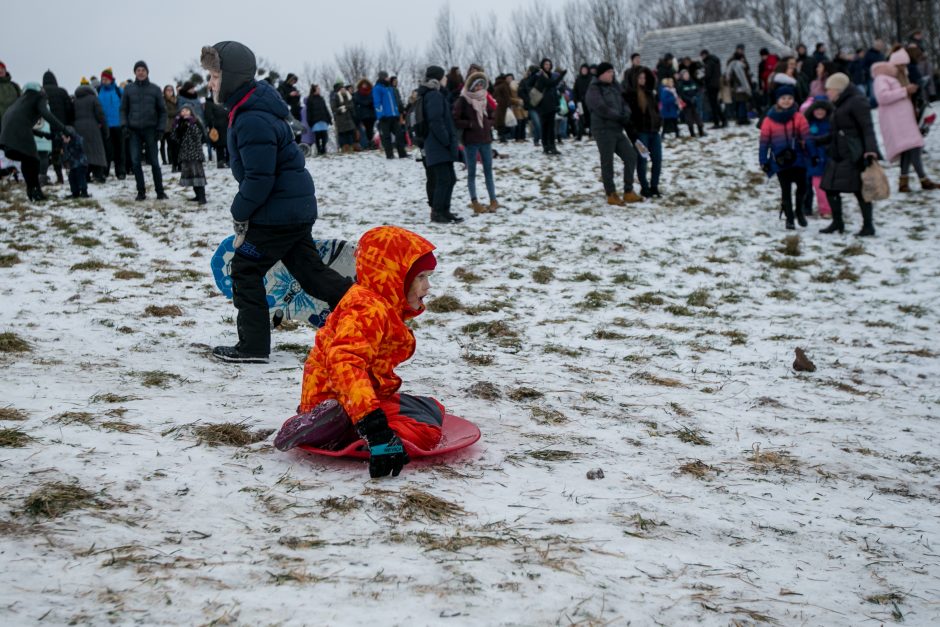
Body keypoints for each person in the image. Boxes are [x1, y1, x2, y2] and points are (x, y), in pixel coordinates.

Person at [201, 40, 352, 362]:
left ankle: (253, 347)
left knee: (244, 269)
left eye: (213, 75)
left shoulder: (251, 117)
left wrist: (239, 211)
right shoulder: (252, 109)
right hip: (290, 209)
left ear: (229, 77)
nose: (210, 83)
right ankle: (367, 309)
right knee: (311, 273)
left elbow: (260, 177)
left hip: (278, 213)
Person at [276, 226, 444, 479]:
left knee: (431, 408)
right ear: (395, 276)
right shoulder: (368, 309)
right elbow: (344, 361)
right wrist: (376, 430)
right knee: (424, 430)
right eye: (421, 278)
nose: (427, 287)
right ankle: (339, 430)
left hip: (352, 397)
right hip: (340, 397)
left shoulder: (379, 304)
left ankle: (333, 422)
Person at [819, 73, 881, 236]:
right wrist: (816, 140)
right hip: (838, 153)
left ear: (839, 89)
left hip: (854, 153)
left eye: (829, 90)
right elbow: (836, 131)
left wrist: (870, 150)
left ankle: (868, 226)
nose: (827, 93)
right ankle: (837, 223)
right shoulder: (840, 103)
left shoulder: (857, 102)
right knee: (829, 187)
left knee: (859, 190)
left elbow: (867, 128)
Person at [872, 49, 937, 192]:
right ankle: (923, 179)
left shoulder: (897, 76)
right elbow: (882, 97)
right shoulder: (882, 78)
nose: (904, 68)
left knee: (908, 149)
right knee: (914, 146)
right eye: (901, 65)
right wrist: (905, 91)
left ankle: (904, 182)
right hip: (895, 120)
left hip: (903, 118)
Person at [0, 82, 70, 201]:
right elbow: (47, 114)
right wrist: (64, 129)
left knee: (27, 160)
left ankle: (31, 191)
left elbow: (20, 123)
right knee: (33, 160)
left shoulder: (20, 102)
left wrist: (43, 135)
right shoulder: (38, 97)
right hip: (17, 134)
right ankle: (35, 191)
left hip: (5, 138)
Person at [585, 62, 641, 206]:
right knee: (607, 161)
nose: (612, 74)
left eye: (612, 71)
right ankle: (611, 193)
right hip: (603, 130)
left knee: (631, 156)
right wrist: (618, 116)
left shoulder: (614, 87)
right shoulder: (594, 89)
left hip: (617, 128)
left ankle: (628, 191)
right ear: (601, 74)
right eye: (609, 72)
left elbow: (624, 103)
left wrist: (626, 115)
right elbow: (601, 108)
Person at [759, 85, 810, 230]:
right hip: (781, 161)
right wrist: (764, 161)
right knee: (785, 190)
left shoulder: (799, 117)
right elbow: (764, 143)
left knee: (802, 186)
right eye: (783, 98)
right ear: (777, 100)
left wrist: (813, 154)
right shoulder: (769, 120)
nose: (786, 101)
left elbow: (807, 137)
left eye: (789, 98)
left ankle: (799, 210)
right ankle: (789, 218)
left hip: (799, 158)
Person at [418, 65, 463, 224]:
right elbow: (435, 120)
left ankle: (445, 210)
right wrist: (446, 140)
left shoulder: (434, 94)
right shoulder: (433, 95)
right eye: (444, 77)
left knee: (450, 178)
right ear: (437, 78)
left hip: (438, 145)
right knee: (444, 179)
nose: (446, 79)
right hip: (437, 145)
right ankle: (437, 212)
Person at [121, 60, 167, 201]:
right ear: (135, 72)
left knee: (154, 162)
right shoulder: (128, 89)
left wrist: (160, 128)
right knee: (135, 162)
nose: (140, 72)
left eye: (143, 70)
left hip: (151, 130)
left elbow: (162, 111)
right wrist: (124, 125)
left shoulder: (155, 89)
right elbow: (123, 109)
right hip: (134, 130)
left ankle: (160, 191)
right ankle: (141, 191)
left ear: (147, 72)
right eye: (138, 70)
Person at [453, 71, 498, 214]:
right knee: (471, 172)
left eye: (481, 84)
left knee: (488, 171)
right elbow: (455, 119)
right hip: (471, 142)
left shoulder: (484, 98)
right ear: (471, 86)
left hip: (485, 140)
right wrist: (470, 124)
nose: (479, 87)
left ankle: (493, 200)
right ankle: (475, 202)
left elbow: (493, 115)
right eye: (477, 85)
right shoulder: (463, 100)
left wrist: (487, 124)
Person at [625, 67, 663, 198]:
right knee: (642, 161)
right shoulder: (631, 95)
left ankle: (654, 186)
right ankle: (644, 187)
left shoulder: (650, 93)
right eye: (640, 78)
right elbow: (628, 118)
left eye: (644, 78)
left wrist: (659, 122)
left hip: (654, 132)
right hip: (641, 133)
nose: (643, 80)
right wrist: (633, 135)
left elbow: (656, 111)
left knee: (657, 160)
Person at [72, 83, 109, 183]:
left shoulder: (75, 101)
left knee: (83, 152)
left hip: (78, 128)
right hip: (93, 127)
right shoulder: (93, 99)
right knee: (96, 151)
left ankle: (86, 175)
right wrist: (106, 130)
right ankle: (98, 175)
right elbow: (100, 115)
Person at [172, 104, 208, 204]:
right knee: (191, 176)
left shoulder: (195, 121)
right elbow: (175, 138)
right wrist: (175, 126)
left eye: (187, 110)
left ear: (191, 111)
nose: (184, 112)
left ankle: (202, 197)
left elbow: (198, 136)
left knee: (198, 175)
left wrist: (192, 124)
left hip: (195, 153)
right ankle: (197, 195)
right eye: (182, 111)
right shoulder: (180, 123)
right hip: (185, 153)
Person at [804, 96, 833, 218]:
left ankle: (829, 208)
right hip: (813, 160)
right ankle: (823, 209)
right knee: (817, 186)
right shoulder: (808, 123)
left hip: (828, 159)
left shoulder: (831, 122)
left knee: (829, 186)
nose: (820, 112)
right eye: (817, 109)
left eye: (822, 109)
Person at [532, 59, 567, 155]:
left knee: (550, 127)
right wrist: (561, 76)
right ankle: (546, 146)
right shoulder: (541, 75)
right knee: (545, 126)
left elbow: (553, 89)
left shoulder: (550, 75)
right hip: (543, 105)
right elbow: (551, 84)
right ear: (542, 65)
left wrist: (557, 102)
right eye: (545, 64)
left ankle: (551, 146)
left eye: (549, 64)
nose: (547, 66)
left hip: (551, 104)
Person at [97, 68, 125, 180]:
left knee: (120, 150)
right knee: (106, 150)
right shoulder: (98, 91)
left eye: (105, 79)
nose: (104, 81)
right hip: (105, 125)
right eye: (102, 79)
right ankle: (105, 171)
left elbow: (125, 107)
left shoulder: (119, 91)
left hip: (118, 124)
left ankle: (121, 172)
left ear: (110, 79)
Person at [373, 71, 406, 159]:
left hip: (394, 116)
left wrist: (397, 112)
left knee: (399, 134)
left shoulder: (390, 88)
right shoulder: (377, 88)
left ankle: (402, 153)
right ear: (383, 78)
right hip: (384, 117)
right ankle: (389, 155)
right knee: (386, 137)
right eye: (387, 77)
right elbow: (377, 102)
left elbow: (394, 102)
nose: (388, 78)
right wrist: (381, 114)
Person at [700, 49, 726, 128]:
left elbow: (708, 75)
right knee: (716, 104)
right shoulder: (715, 61)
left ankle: (717, 122)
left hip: (711, 86)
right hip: (716, 85)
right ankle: (723, 120)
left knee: (714, 105)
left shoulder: (709, 62)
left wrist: (701, 77)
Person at [61, 126, 89, 198]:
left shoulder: (78, 140)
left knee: (80, 177)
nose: (63, 139)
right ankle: (75, 192)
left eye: (64, 137)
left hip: (81, 163)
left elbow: (82, 149)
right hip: (73, 164)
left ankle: (84, 192)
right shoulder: (67, 143)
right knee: (72, 177)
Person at [304, 85, 332, 156]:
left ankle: (323, 149)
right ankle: (319, 150)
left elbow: (325, 109)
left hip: (323, 120)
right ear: (314, 90)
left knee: (324, 136)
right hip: (315, 121)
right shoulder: (310, 99)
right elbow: (309, 111)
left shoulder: (321, 98)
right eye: (318, 89)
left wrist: (329, 118)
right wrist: (309, 121)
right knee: (318, 136)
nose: (319, 90)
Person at [677, 69, 705, 137]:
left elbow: (697, 90)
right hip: (687, 105)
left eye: (687, 74)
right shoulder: (681, 84)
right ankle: (692, 133)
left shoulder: (692, 82)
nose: (686, 76)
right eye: (685, 75)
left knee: (698, 118)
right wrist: (689, 99)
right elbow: (681, 94)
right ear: (682, 76)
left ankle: (701, 132)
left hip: (695, 104)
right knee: (689, 119)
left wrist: (695, 97)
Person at [330, 82, 357, 152]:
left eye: (344, 89)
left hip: (348, 118)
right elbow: (333, 108)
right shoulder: (335, 97)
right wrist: (340, 109)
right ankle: (344, 148)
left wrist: (345, 107)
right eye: (342, 89)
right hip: (340, 119)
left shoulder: (348, 96)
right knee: (342, 134)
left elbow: (351, 105)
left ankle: (351, 147)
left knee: (350, 133)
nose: (343, 90)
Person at [204, 92, 229, 167]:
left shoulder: (225, 101)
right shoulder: (209, 103)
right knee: (219, 146)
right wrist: (212, 126)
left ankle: (229, 161)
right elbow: (208, 116)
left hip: (226, 126)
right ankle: (220, 162)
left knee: (228, 145)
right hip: (216, 128)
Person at [353, 78, 376, 150]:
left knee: (370, 129)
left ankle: (370, 143)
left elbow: (373, 101)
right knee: (363, 131)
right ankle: (365, 144)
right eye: (363, 84)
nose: (365, 85)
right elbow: (356, 102)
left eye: (366, 84)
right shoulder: (357, 93)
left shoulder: (371, 92)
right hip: (362, 115)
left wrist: (369, 103)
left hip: (371, 114)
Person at [0, 61, 21, 134]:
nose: (0, 70)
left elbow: (23, 102)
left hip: (14, 124)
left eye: (2, 68)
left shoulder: (15, 86)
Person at [160, 85, 178, 169]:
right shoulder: (163, 100)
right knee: (166, 144)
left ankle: (172, 160)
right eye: (168, 90)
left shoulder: (176, 100)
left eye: (171, 90)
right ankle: (165, 160)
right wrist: (178, 112)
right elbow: (167, 112)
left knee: (173, 145)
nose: (170, 92)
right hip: (166, 126)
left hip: (175, 125)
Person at [573, 63, 593, 139]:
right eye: (582, 70)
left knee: (591, 118)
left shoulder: (591, 78)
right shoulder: (578, 79)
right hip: (580, 103)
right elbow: (575, 91)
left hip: (590, 102)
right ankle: (579, 135)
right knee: (581, 118)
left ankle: (591, 133)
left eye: (585, 69)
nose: (584, 71)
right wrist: (576, 101)